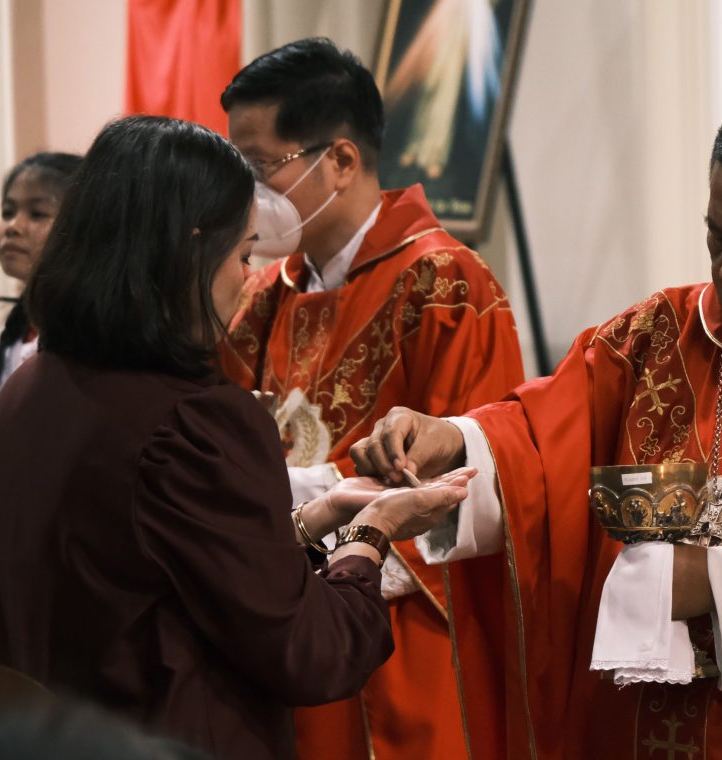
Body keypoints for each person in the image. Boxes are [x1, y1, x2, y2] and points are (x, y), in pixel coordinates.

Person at [356, 92, 722, 758]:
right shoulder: (660, 333)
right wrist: (454, 441)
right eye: (716, 238)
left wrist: (711, 583)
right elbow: (539, 442)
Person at [0, 115, 474, 760]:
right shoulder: (195, 419)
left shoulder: (30, 385)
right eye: (242, 254)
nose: (247, 278)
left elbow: (163, 557)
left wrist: (312, 520)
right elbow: (310, 651)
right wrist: (372, 532)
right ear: (188, 251)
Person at [218, 37, 525, 760]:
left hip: (399, 642)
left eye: (263, 167)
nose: (250, 192)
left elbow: (469, 488)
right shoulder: (262, 293)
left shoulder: (447, 285)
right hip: (282, 622)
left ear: (342, 160)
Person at [0, 152, 81, 396]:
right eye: (8, 212)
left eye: (37, 213)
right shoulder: (7, 337)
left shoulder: (96, 342)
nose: (13, 227)